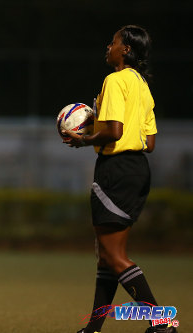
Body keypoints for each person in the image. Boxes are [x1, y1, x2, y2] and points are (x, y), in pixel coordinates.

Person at [62, 26, 176, 333]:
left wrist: (82, 140)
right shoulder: (142, 85)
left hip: (115, 169)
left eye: (113, 42)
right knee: (107, 257)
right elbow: (150, 142)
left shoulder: (114, 80)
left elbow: (114, 131)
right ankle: (93, 328)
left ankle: (162, 322)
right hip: (138, 170)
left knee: (114, 255)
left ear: (125, 49)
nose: (108, 46)